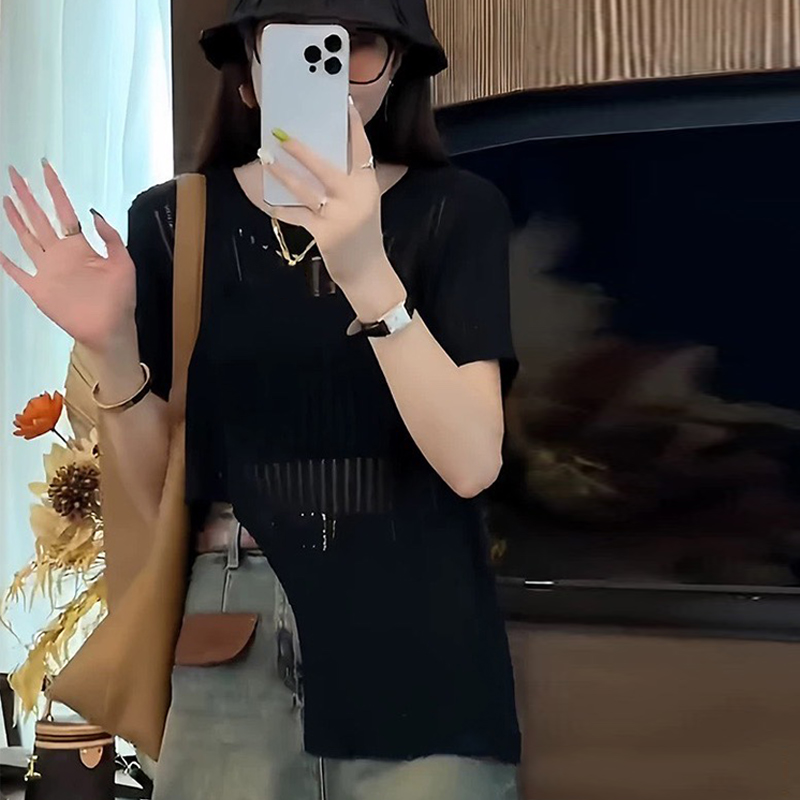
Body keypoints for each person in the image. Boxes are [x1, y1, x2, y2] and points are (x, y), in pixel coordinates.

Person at [0, 0, 521, 797]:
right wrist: (111, 346)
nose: (330, 70)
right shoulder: (174, 220)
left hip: (424, 630)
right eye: (294, 46)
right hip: (227, 629)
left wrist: (367, 272)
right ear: (247, 71)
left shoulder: (458, 210)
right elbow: (152, 489)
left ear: (399, 69)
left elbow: (472, 462)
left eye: (359, 45)